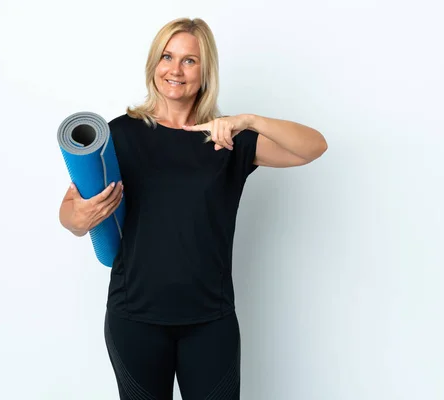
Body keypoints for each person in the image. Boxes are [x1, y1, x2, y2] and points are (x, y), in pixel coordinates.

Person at [59, 17, 327, 400]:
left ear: (205, 71)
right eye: (167, 56)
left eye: (190, 60)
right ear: (154, 63)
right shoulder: (117, 134)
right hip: (134, 318)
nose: (175, 69)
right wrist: (78, 221)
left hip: (210, 321)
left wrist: (247, 120)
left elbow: (313, 148)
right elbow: (69, 211)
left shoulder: (228, 140)